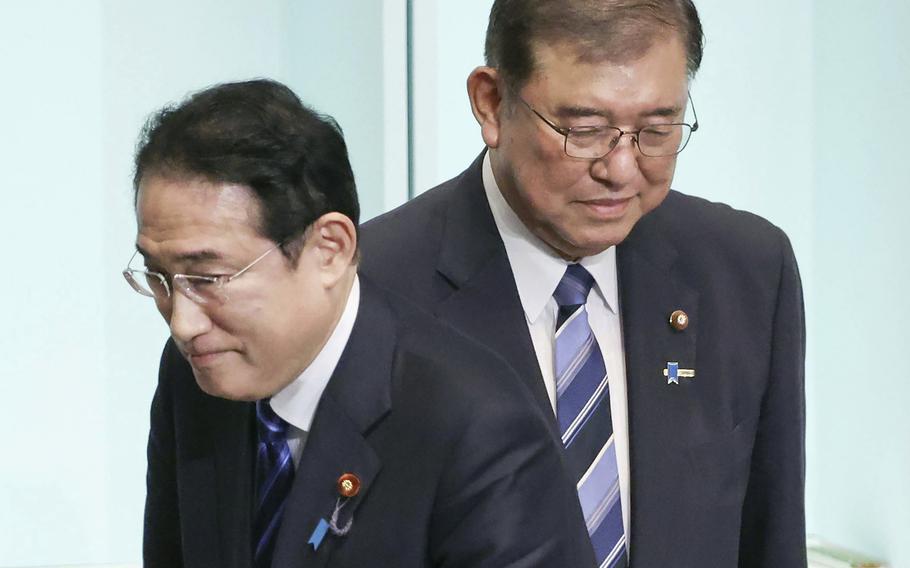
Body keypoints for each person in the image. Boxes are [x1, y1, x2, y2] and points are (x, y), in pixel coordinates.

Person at [360, 1, 807, 567]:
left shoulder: (744, 272)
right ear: (491, 103)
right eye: (585, 130)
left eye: (656, 129)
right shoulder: (370, 292)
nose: (621, 168)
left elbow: (772, 538)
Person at [124, 79, 595, 568]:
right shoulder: (194, 375)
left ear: (329, 249)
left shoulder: (476, 425)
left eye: (208, 277)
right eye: (158, 276)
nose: (182, 323)